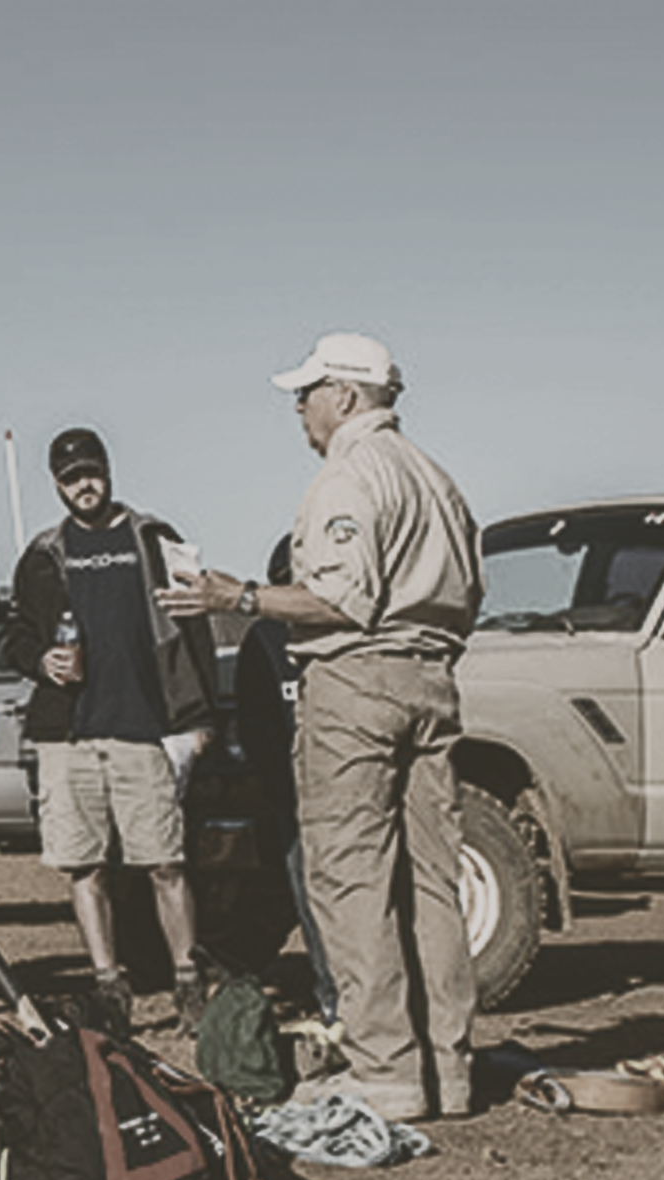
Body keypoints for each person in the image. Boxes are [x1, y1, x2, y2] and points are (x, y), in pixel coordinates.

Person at [159, 333, 483, 1120]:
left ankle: (385, 1073)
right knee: (430, 884)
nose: (298, 409)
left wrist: (236, 598)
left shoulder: (350, 476)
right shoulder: (435, 479)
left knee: (350, 880)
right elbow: (468, 596)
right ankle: (447, 1065)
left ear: (343, 394)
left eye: (305, 393)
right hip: (431, 683)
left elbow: (339, 600)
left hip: (356, 685)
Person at [7, 427, 216, 1033]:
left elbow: (195, 626)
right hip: (69, 735)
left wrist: (197, 717)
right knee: (84, 867)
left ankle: (188, 980)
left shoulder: (154, 538)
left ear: (108, 470)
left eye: (92, 472)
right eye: (71, 478)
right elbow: (18, 635)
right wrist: (41, 659)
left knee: (166, 864)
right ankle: (109, 985)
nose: (84, 486)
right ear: (56, 484)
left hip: (143, 730)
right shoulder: (44, 553)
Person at [234, 535, 338, 1031]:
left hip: (343, 790)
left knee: (352, 898)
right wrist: (275, 779)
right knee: (309, 897)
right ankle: (330, 994)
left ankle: (361, 997)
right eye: (284, 581)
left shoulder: (333, 630)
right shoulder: (263, 640)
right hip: (292, 795)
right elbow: (254, 721)